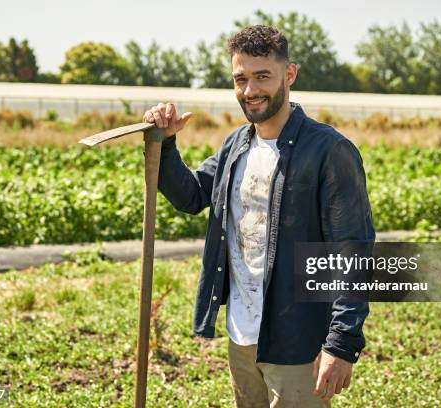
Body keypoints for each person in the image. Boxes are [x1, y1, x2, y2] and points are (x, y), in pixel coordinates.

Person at [143, 24, 375, 408]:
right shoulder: (238, 143)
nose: (250, 90)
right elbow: (193, 195)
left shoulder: (329, 151)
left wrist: (342, 344)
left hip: (298, 340)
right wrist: (166, 146)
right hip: (242, 335)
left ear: (289, 74)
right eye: (241, 79)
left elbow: (354, 251)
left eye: (262, 76)